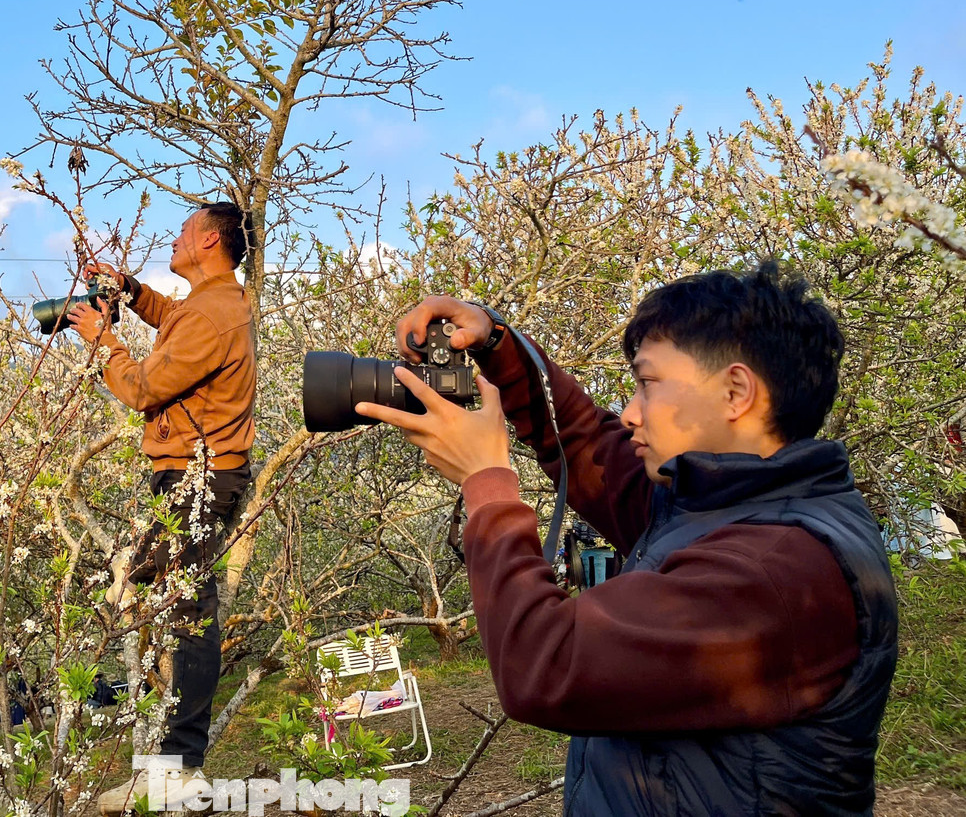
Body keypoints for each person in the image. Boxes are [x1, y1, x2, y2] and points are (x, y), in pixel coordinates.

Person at [356, 261, 897, 816]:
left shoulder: (777, 570)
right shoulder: (717, 506)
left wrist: (487, 485)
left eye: (647, 384)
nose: (632, 413)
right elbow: (589, 447)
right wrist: (496, 342)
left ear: (737, 392)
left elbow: (547, 664)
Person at [66, 202, 256, 815]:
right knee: (171, 600)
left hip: (198, 479)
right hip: (195, 477)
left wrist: (102, 341)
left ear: (206, 240)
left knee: (191, 617)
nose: (172, 242)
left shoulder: (216, 313)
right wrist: (133, 291)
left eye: (180, 234)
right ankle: (170, 766)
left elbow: (143, 386)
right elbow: (178, 319)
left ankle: (181, 771)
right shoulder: (215, 303)